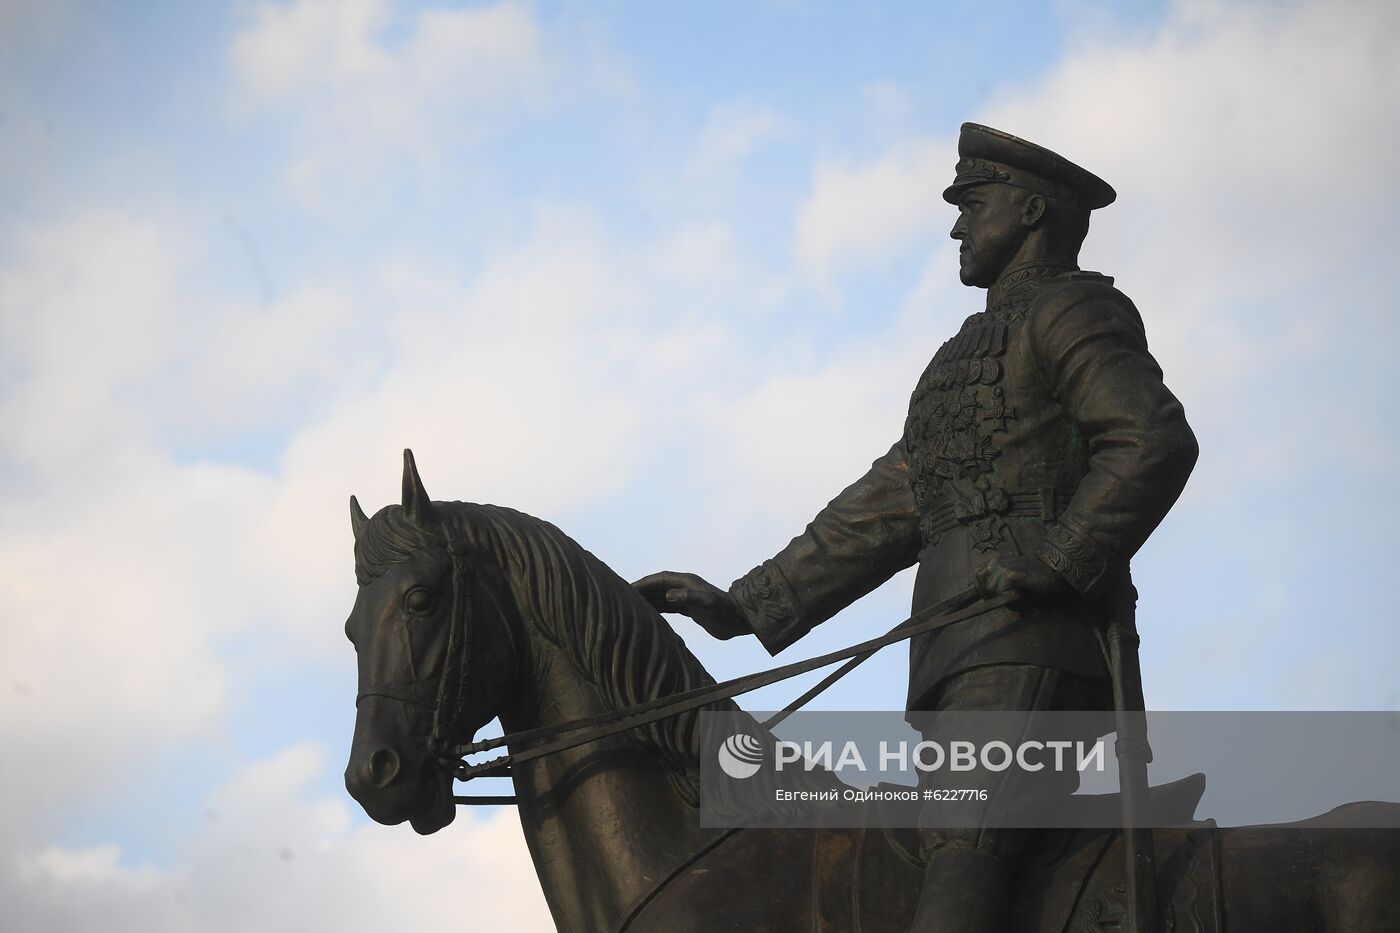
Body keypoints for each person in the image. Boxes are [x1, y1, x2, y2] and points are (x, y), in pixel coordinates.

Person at [636, 122, 1198, 932]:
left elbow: (1150, 436)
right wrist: (746, 604)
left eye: (973, 204)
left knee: (961, 854)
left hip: (1032, 642)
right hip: (956, 658)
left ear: (1031, 209)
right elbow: (891, 503)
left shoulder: (1074, 309)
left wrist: (1062, 557)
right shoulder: (961, 353)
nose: (956, 226)